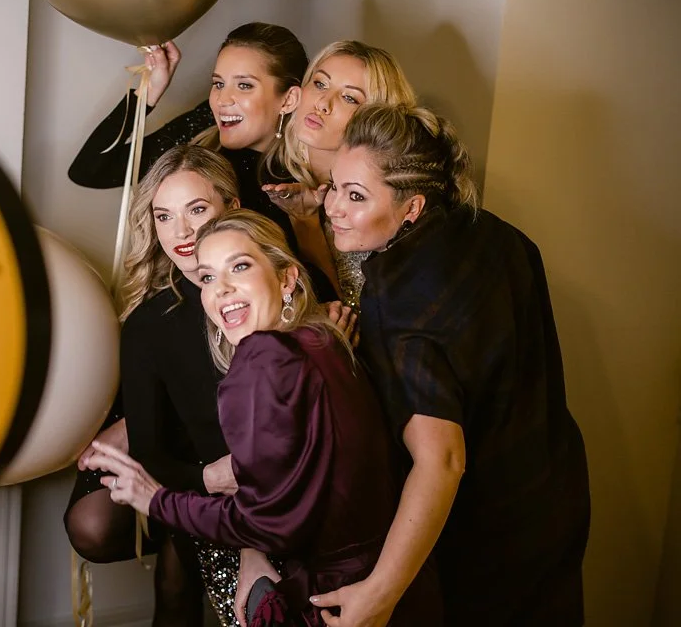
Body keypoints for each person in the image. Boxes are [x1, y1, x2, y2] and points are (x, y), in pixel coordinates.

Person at [85, 209, 443, 627]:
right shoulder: (324, 339)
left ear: (287, 278)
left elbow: (269, 524)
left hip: (336, 602)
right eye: (207, 277)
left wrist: (153, 498)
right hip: (400, 588)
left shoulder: (263, 358)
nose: (222, 289)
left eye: (239, 266)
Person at [310, 104, 591, 626]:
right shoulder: (498, 234)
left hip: (486, 536)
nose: (332, 208)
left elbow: (442, 461)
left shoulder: (394, 301)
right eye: (334, 186)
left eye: (356, 196)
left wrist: (378, 595)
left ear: (411, 206)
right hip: (556, 494)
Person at [68, 22, 334, 285]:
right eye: (218, 84)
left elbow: (318, 289)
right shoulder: (201, 135)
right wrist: (148, 90)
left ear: (288, 99)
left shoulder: (305, 181)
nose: (222, 100)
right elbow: (90, 170)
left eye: (244, 86)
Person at [261, 41, 417, 307]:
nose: (323, 103)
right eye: (320, 84)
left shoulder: (386, 199)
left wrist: (307, 223)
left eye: (349, 98)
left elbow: (351, 316)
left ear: (377, 118)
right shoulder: (266, 174)